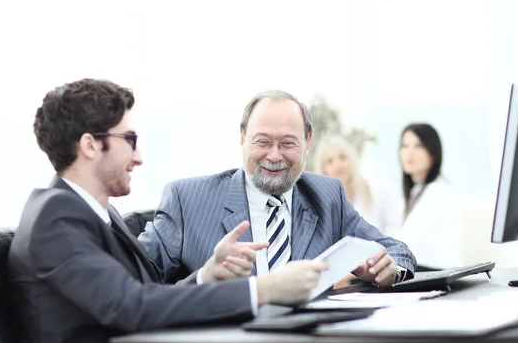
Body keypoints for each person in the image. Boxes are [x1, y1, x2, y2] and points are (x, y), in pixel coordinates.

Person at [7, 79, 327, 343]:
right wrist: (264, 289)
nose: (139, 156)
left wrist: (207, 275)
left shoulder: (93, 213)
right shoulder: (55, 219)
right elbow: (133, 307)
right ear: (90, 145)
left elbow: (146, 294)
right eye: (129, 140)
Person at [138, 90, 416, 287]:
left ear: (307, 142)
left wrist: (386, 267)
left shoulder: (326, 195)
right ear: (242, 138)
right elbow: (134, 278)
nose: (274, 155)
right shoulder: (188, 200)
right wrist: (202, 282)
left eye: (287, 143)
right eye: (262, 142)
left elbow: (396, 250)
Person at [394, 123, 463, 271]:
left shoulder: (436, 192)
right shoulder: (415, 193)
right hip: (423, 271)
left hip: (436, 272)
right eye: (405, 146)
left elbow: (404, 243)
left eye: (418, 146)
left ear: (433, 153)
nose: (409, 153)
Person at [313, 134, 401, 233]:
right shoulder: (320, 209)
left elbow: (397, 227)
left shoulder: (379, 190)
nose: (338, 165)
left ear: (352, 159)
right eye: (330, 161)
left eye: (343, 157)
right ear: (323, 170)